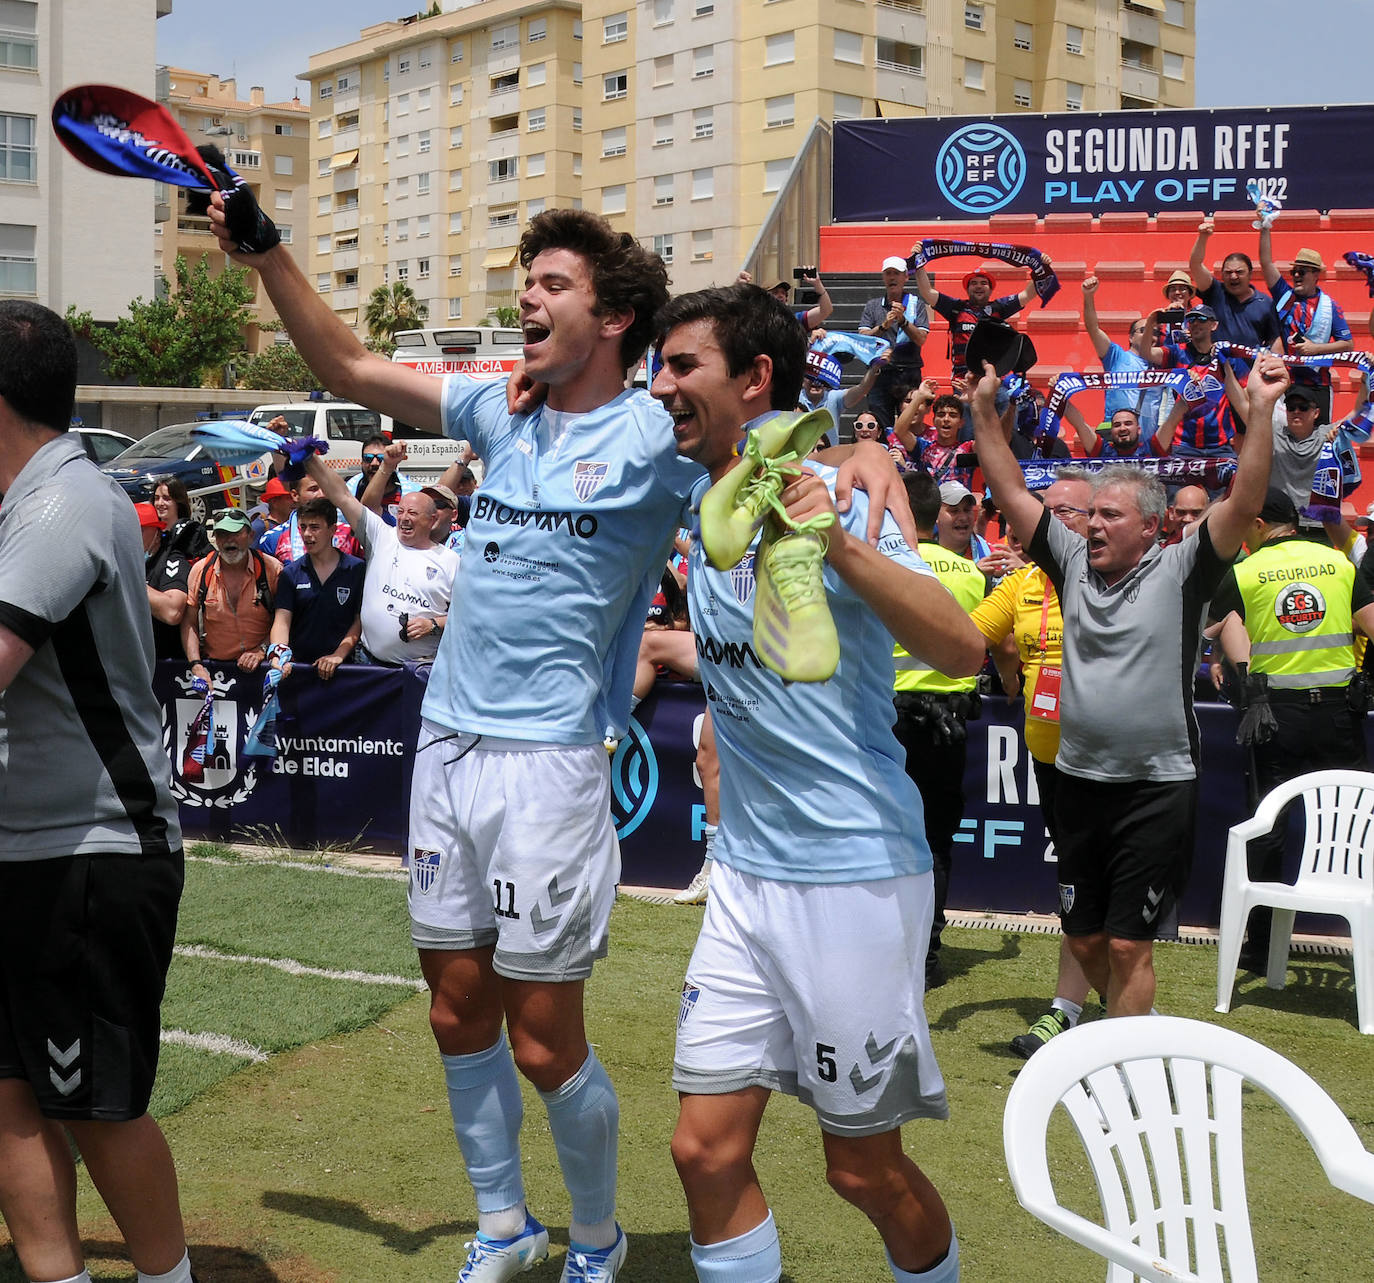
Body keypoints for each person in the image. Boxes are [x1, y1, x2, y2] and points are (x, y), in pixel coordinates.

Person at [209, 188, 908, 1282]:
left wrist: (869, 453)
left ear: (615, 315)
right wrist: (268, 254)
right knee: (453, 1010)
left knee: (544, 1039)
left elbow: (765, 444)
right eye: (527, 282)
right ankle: (502, 1223)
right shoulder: (498, 407)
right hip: (444, 741)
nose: (528, 298)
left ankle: (596, 1237)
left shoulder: (662, 432)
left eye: (552, 284)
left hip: (552, 763)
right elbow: (348, 370)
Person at [653, 281, 982, 1283]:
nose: (661, 387)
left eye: (682, 366)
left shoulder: (842, 500)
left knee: (861, 1168)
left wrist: (835, 528)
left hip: (853, 877)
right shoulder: (695, 489)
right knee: (702, 1149)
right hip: (745, 879)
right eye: (659, 364)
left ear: (754, 378)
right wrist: (859, 435)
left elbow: (962, 646)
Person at [971, 349, 1288, 1018]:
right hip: (1078, 779)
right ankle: (1128, 1032)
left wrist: (1258, 412)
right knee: (1083, 934)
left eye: (1110, 516)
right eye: (1091, 515)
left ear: (1150, 526)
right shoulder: (1072, 561)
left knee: (1126, 945)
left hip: (1156, 784)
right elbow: (1010, 492)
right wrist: (982, 414)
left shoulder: (1184, 570)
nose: (1093, 525)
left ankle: (1119, 1066)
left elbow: (1247, 499)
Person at [0, 300, 198, 1283]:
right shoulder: (25, 498)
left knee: (92, 1103)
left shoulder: (62, 501)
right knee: (9, 1094)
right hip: (23, 848)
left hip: (92, 849)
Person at [1208, 487, 1374, 970]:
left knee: (1269, 829)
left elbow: (1216, 627)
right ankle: (1364, 939)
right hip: (1340, 716)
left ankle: (1259, 949)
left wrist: (1227, 656)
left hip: (1273, 717)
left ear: (1259, 524)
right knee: (1356, 829)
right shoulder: (1338, 563)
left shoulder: (1245, 572)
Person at [969, 469, 1101, 1056]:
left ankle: (1085, 1012)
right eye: (1043, 510)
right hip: (1050, 756)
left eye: (1064, 512)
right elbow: (964, 637)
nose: (1048, 522)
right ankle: (1082, 1010)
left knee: (1096, 892)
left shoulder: (1113, 577)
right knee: (1077, 885)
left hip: (1113, 758)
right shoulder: (1021, 583)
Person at [890, 471, 986, 990]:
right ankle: (926, 956)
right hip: (946, 722)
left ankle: (883, 951)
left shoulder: (878, 564)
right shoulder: (970, 574)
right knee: (935, 843)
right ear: (937, 515)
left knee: (875, 837)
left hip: (881, 718)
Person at [299, 451, 458, 667]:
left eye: (412, 513)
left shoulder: (451, 561)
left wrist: (434, 624)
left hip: (420, 671)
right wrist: (309, 456)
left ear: (432, 520)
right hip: (368, 665)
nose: (404, 518)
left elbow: (469, 616)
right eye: (400, 511)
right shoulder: (382, 536)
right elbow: (342, 496)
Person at [1258, 235, 1352, 422]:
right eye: (1294, 272)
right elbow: (1266, 263)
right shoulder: (1284, 295)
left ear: (1316, 274)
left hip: (1318, 383)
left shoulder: (1329, 306)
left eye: (1302, 271)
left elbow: (1348, 345)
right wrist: (1265, 227)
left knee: (1321, 440)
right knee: (1283, 441)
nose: (1296, 276)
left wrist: (1316, 349)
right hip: (1285, 381)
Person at [267, 496, 364, 679]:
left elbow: (359, 621)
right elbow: (282, 621)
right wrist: (279, 655)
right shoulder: (291, 573)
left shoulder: (356, 569)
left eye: (315, 527)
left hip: (345, 670)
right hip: (299, 670)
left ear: (332, 530)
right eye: (303, 527)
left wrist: (338, 655)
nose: (307, 534)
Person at [181, 509, 283, 679]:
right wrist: (196, 665)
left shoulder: (272, 569)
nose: (229, 540)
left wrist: (261, 650)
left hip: (263, 669)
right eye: (222, 534)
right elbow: (189, 622)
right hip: (216, 672)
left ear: (251, 536)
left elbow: (285, 620)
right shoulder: (200, 570)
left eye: (235, 533)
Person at [1074, 274, 1169, 447]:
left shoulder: (1163, 364)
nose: (1151, 335)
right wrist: (1088, 296)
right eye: (1144, 330)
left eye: (1155, 332)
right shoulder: (1116, 356)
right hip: (1116, 443)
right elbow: (1093, 328)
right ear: (1131, 337)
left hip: (1148, 448)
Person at [911, 258, 1043, 379]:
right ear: (967, 289)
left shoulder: (999, 307)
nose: (978, 286)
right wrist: (919, 262)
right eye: (973, 283)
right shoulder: (956, 308)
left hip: (992, 378)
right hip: (963, 380)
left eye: (983, 283)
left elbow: (1027, 294)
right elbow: (927, 292)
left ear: (991, 290)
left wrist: (1040, 268)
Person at [857, 256, 931, 425]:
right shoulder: (873, 306)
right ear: (883, 277)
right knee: (881, 423)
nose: (892, 277)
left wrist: (903, 321)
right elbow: (863, 339)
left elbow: (921, 339)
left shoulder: (916, 304)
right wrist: (883, 327)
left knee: (911, 423)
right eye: (888, 273)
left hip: (909, 372)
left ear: (905, 277)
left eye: (896, 273)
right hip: (881, 372)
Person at [1188, 219, 1282, 351]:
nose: (1233, 277)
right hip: (1217, 368)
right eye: (1228, 272)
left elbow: (1274, 339)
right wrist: (1203, 237)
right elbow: (1195, 265)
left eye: (1239, 272)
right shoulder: (1215, 292)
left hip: (1250, 369)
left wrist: (1276, 366)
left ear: (1250, 274)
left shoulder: (1266, 303)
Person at [797, 348, 887, 446]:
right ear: (802, 380)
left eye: (821, 378)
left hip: (829, 456)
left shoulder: (833, 397)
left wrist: (874, 368)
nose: (816, 381)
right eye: (810, 377)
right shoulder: (794, 398)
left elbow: (862, 389)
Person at [140, 501, 191, 660]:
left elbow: (172, 612)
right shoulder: (129, 562)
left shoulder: (173, 560)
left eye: (140, 531)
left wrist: (132, 580)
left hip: (167, 662)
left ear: (157, 533)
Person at [152, 476, 211, 559]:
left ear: (178, 501)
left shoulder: (193, 532)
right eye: (157, 498)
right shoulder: (151, 534)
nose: (160, 503)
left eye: (166, 498)